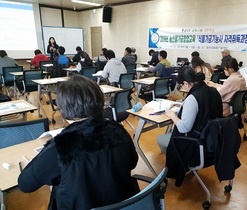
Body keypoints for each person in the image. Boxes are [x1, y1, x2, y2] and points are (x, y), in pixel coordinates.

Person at [18, 75, 140, 210]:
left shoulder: (62, 146)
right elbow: (133, 162)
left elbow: (25, 184)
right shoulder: (118, 130)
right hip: (123, 204)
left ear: (63, 108)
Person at [157, 67, 223, 186]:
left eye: (181, 86)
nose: (182, 89)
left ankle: (171, 173)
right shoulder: (213, 91)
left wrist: (172, 115)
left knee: (167, 139)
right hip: (213, 141)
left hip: (197, 145)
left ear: (187, 83)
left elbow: (184, 128)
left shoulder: (193, 99)